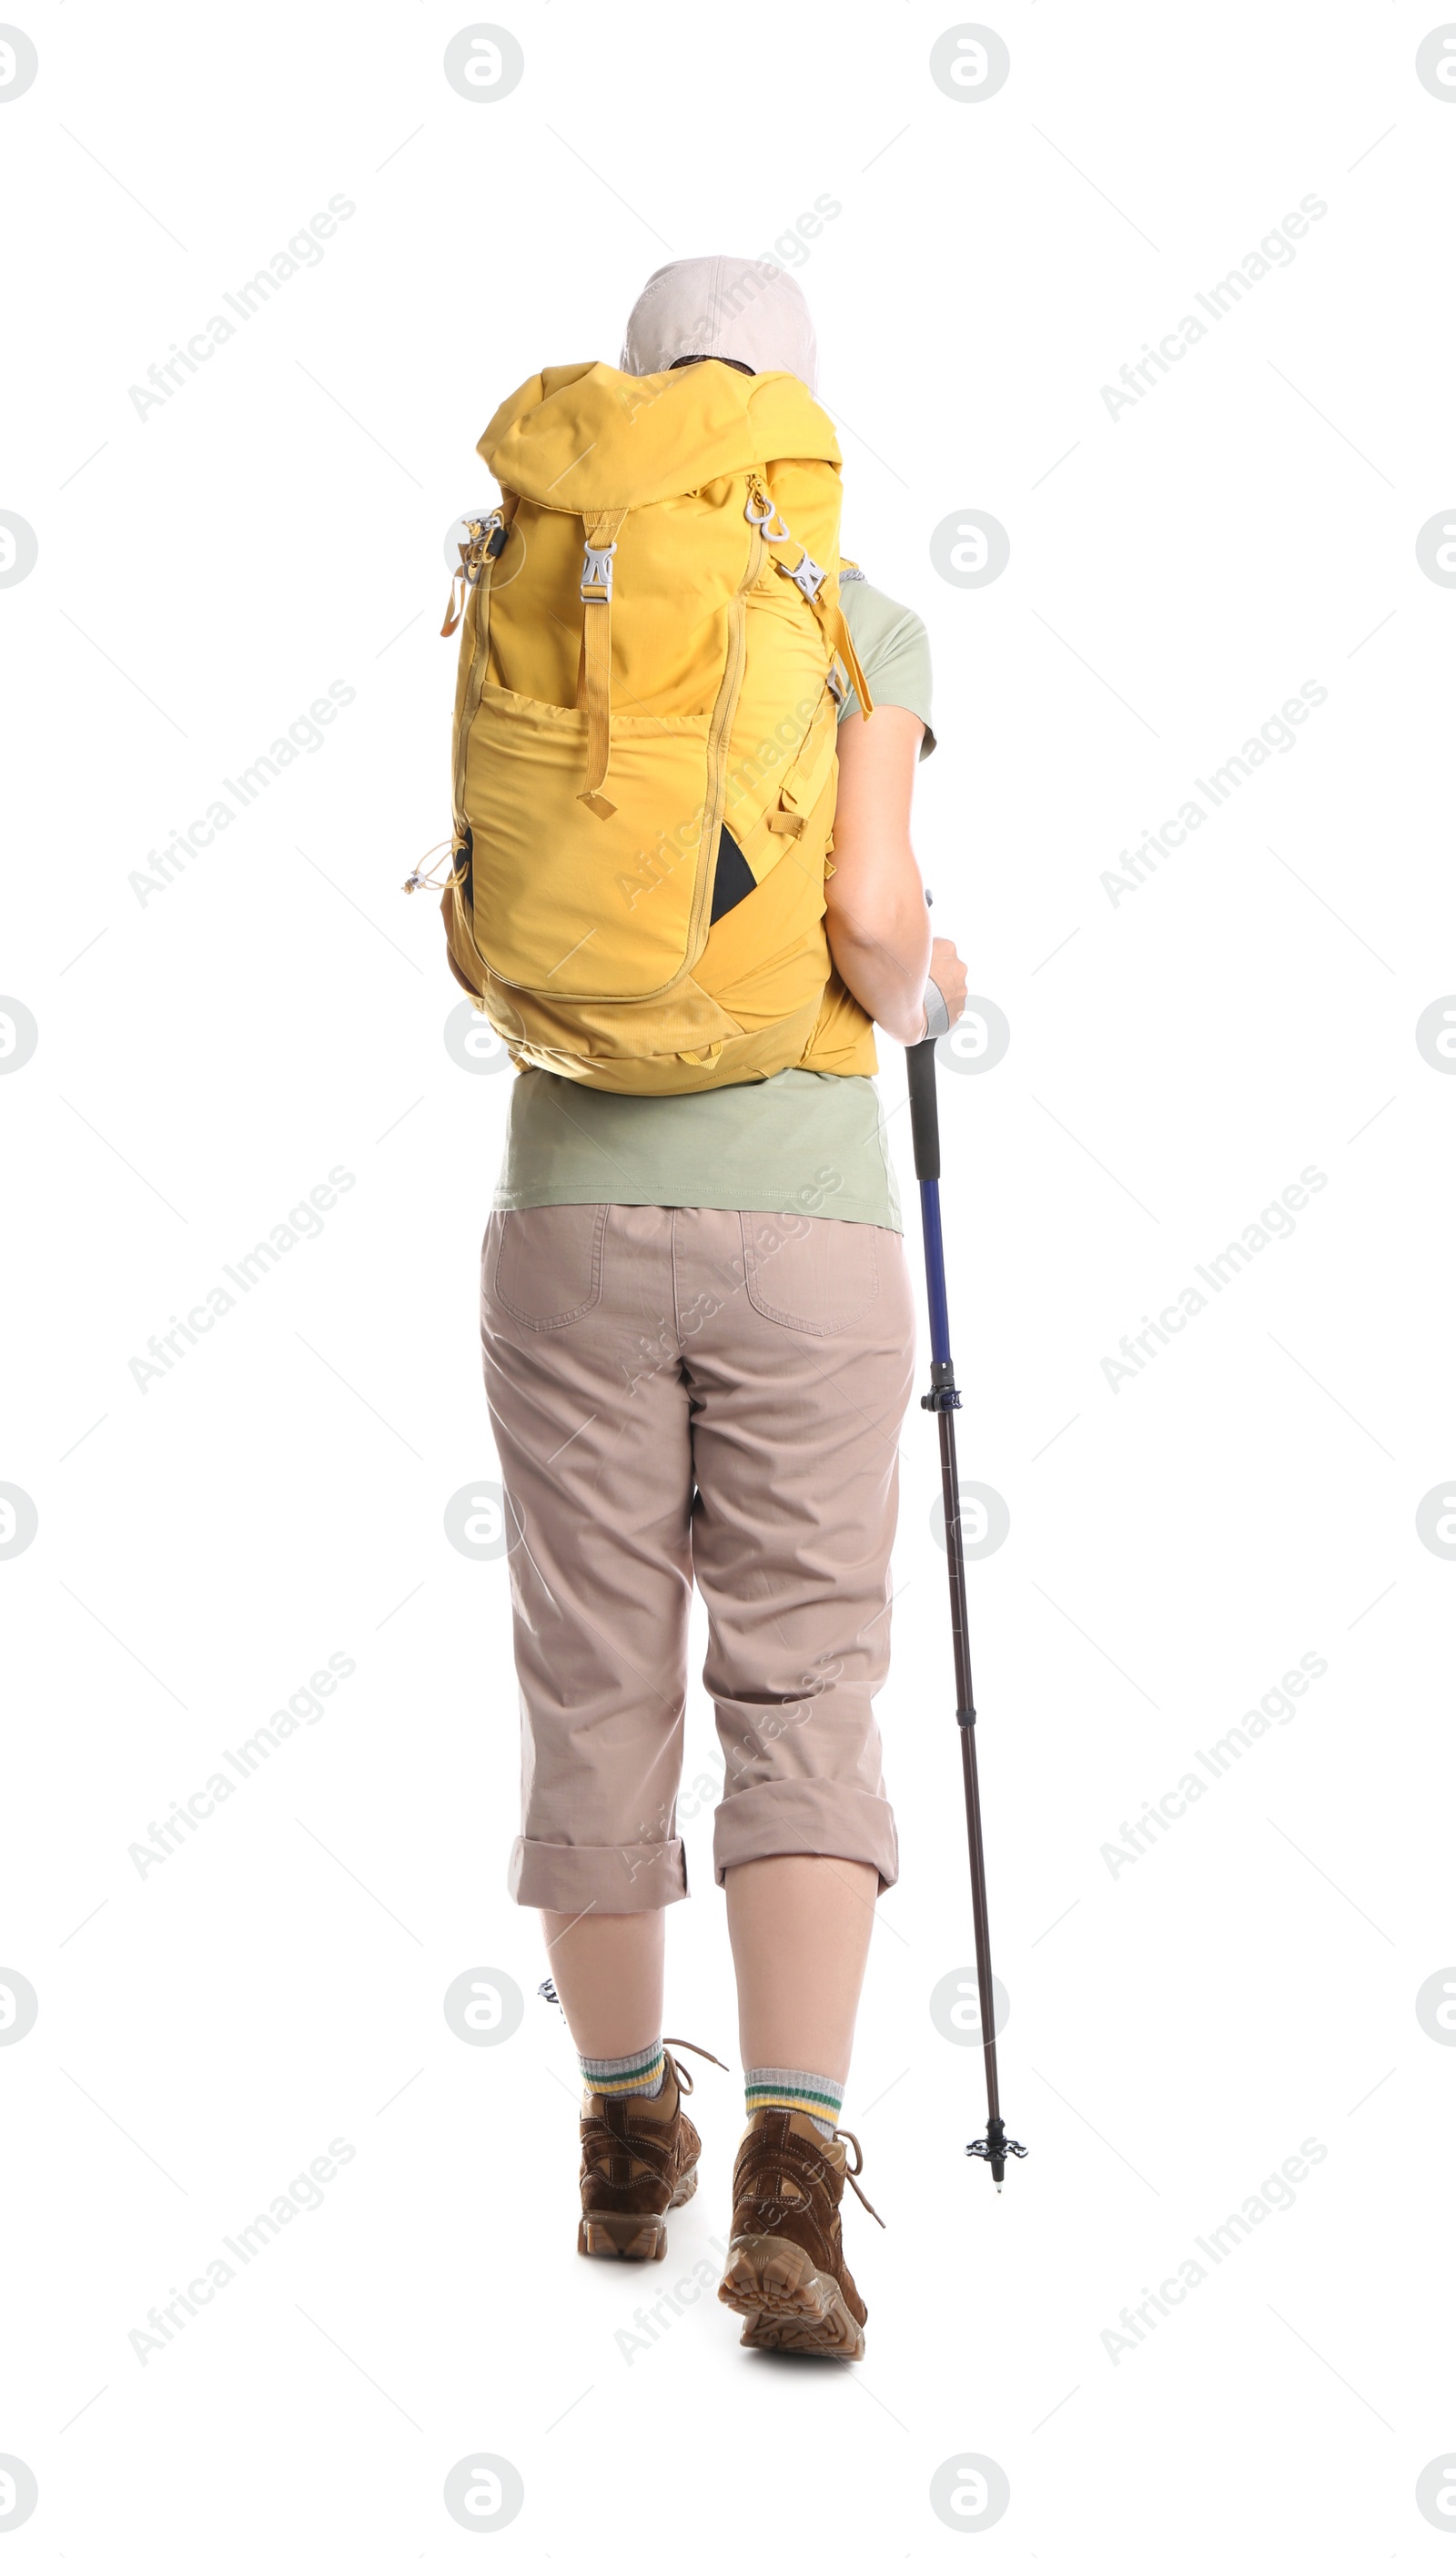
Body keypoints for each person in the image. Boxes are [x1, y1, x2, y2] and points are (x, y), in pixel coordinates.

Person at [477, 255, 966, 2361]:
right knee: (801, 1677)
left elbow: (498, 918)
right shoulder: (849, 607)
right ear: (788, 405)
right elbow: (862, 917)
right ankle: (789, 2156)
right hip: (805, 1226)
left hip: (565, 1209)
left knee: (593, 1668)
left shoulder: (530, 568)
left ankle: (612, 2139)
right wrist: (936, 983)